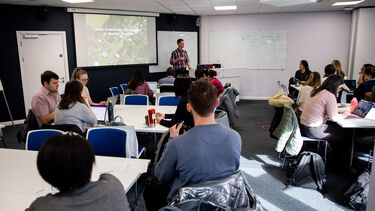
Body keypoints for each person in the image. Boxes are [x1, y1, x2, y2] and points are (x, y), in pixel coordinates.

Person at [154, 80, 241, 202]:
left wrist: (172, 139)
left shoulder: (177, 144)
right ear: (216, 103)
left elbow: (160, 176)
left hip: (186, 205)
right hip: (224, 202)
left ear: (189, 107)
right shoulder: (235, 137)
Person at [28, 133, 130, 210]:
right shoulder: (113, 186)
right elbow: (106, 176)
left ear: (44, 172)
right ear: (90, 169)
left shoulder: (41, 207)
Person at [300, 75, 349, 143]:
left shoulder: (316, 91)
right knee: (344, 134)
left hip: (303, 127)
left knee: (336, 127)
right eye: (340, 88)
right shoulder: (329, 95)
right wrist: (345, 115)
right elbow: (333, 117)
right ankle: (337, 153)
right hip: (314, 129)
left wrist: (341, 110)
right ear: (335, 86)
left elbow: (321, 108)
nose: (339, 91)